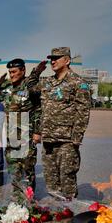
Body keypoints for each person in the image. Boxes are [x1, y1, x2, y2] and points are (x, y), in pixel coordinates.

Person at [39, 47, 91, 202]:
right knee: (51, 178)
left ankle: (69, 213)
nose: (52, 61)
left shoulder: (78, 83)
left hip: (67, 140)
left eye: (56, 58)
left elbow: (83, 111)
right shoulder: (48, 82)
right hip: (48, 138)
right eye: (51, 58)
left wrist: (77, 137)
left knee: (67, 177)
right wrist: (36, 72)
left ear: (67, 60)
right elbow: (30, 87)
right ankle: (56, 212)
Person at [0, 58, 47, 199]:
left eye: (14, 71)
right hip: (11, 137)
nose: (12, 75)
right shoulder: (8, 88)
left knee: (27, 169)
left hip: (27, 137)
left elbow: (39, 110)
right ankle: (17, 198)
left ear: (23, 71)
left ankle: (29, 199)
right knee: (13, 168)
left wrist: (38, 132)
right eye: (10, 72)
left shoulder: (30, 87)